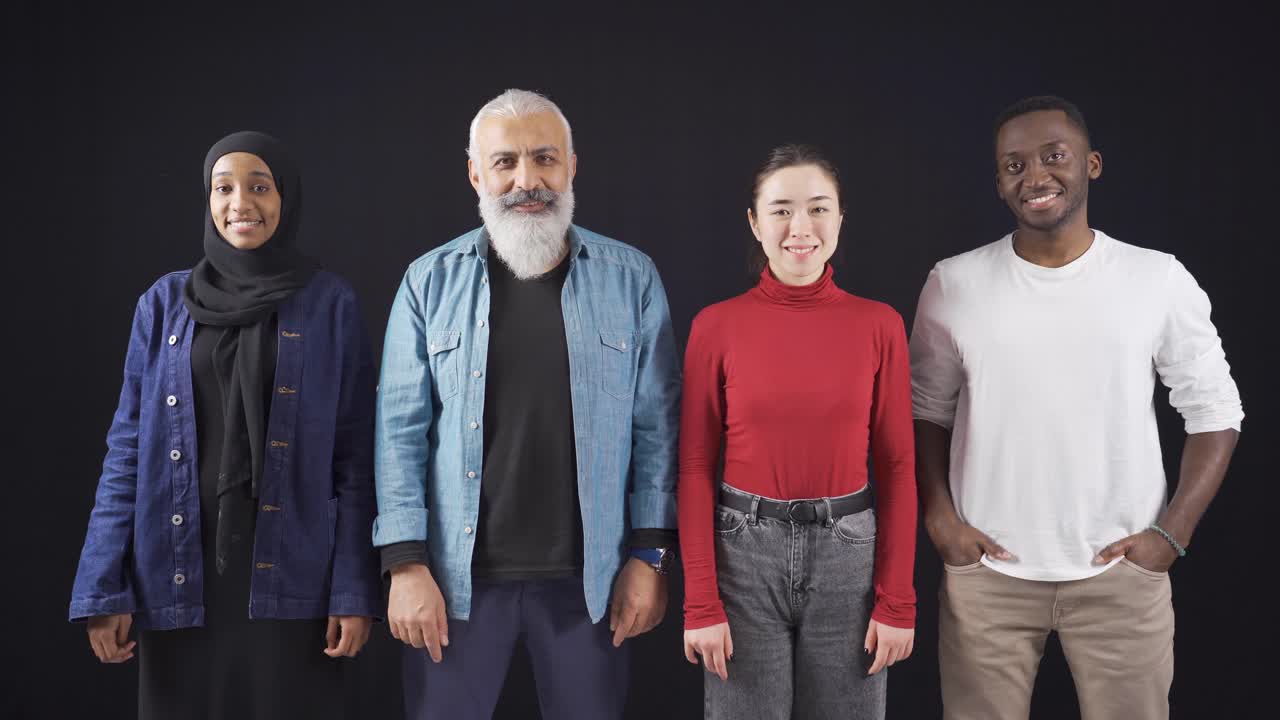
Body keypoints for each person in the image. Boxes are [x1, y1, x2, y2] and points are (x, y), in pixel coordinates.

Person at [910, 96, 1243, 720]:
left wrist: (1174, 532)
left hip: (1121, 574)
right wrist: (940, 519)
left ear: (1090, 164)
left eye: (1052, 156)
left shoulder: (1157, 278)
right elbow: (926, 409)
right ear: (999, 184)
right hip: (987, 575)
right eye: (1013, 166)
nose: (1034, 176)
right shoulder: (954, 283)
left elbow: (1216, 411)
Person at [373, 88, 681, 720]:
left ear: (571, 166)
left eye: (544, 158)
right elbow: (398, 431)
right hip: (454, 584)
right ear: (475, 174)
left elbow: (658, 428)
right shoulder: (427, 281)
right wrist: (404, 565)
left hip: (590, 584)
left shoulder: (632, 278)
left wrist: (649, 555)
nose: (526, 180)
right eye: (506, 161)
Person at [69, 131, 381, 720]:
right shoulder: (162, 304)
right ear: (208, 200)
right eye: (224, 187)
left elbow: (356, 458)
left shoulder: (329, 303)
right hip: (178, 573)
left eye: (259, 187)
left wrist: (353, 589)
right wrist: (103, 585)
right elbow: (126, 453)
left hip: (294, 581)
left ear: (284, 198)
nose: (241, 203)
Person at [679, 144, 918, 720]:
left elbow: (898, 466)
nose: (800, 228)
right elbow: (692, 468)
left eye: (818, 208)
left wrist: (898, 600)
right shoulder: (716, 326)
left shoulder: (879, 324)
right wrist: (700, 602)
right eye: (782, 210)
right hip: (742, 551)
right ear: (755, 223)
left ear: (840, 219)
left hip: (848, 553)